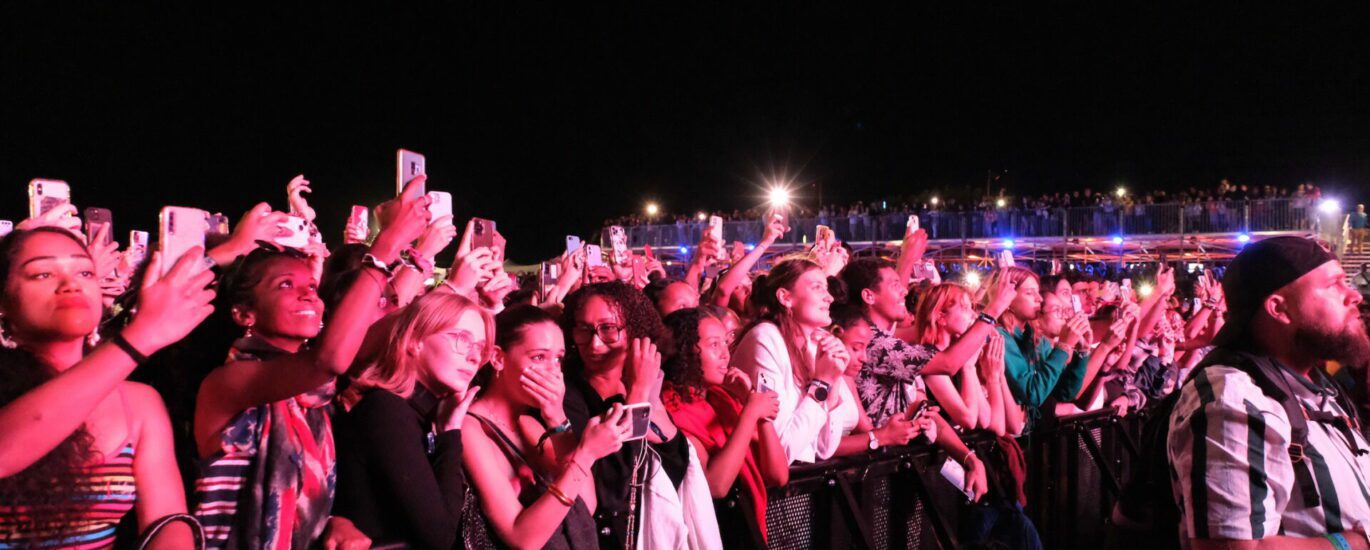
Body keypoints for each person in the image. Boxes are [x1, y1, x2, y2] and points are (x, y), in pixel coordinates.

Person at [193, 180, 430, 548]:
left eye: (311, 285)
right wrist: (385, 246)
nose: (307, 292)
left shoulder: (317, 398)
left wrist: (332, 520)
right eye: (285, 284)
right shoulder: (228, 381)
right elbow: (329, 359)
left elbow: (393, 322)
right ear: (243, 314)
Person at [0, 227, 215, 548]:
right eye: (42, 274)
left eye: (85, 271)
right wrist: (140, 337)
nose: (71, 284)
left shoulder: (139, 402)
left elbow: (168, 519)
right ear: (3, 303)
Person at [1168, 236, 1370, 549]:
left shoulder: (1317, 387)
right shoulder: (1233, 398)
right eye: (1334, 285)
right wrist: (1353, 543)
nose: (1354, 295)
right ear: (1279, 308)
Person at [558, 282, 720, 549]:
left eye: (608, 329)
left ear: (636, 331)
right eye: (584, 330)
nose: (595, 343)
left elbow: (679, 463)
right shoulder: (568, 395)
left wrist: (646, 396)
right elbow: (612, 487)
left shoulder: (648, 383)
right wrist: (637, 394)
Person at [331, 292, 495, 549]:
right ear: (415, 340)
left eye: (480, 347)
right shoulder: (387, 411)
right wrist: (450, 432)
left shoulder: (416, 414)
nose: (475, 357)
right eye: (462, 339)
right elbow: (440, 539)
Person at [463, 305, 626, 550]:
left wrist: (557, 417)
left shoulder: (530, 425)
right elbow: (522, 538)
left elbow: (585, 506)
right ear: (498, 358)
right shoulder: (470, 427)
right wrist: (586, 454)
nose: (553, 371)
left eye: (558, 358)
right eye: (539, 357)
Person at [661, 307, 788, 548]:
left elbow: (778, 475)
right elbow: (715, 486)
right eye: (713, 345)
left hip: (745, 527)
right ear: (685, 350)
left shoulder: (721, 397)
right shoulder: (668, 407)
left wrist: (756, 409)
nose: (725, 355)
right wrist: (750, 413)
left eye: (725, 343)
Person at [730, 259, 857, 464]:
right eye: (817, 288)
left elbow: (824, 449)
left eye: (826, 288)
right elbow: (783, 450)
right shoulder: (765, 338)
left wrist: (832, 383)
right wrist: (822, 383)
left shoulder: (813, 345)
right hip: (770, 490)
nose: (829, 297)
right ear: (785, 297)